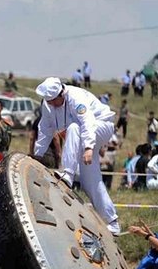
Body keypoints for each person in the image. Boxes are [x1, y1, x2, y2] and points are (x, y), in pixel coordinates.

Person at [33, 77, 120, 235]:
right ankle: (112, 222)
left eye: (53, 101)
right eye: (48, 101)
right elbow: (44, 129)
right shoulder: (48, 104)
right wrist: (37, 155)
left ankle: (67, 174)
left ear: (62, 94)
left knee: (74, 127)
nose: (51, 104)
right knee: (90, 181)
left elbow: (87, 123)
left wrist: (88, 147)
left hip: (100, 127)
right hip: (82, 138)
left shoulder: (75, 97)